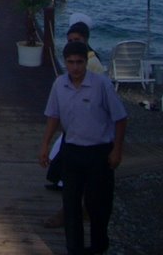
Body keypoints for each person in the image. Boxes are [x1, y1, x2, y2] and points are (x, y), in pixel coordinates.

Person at [38, 40, 127, 255]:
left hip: (99, 152)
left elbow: (121, 118)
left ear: (85, 62)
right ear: (65, 62)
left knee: (99, 205)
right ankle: (74, 249)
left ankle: (98, 246)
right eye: (70, 62)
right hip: (72, 150)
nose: (75, 67)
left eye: (79, 62)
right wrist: (45, 144)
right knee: (70, 203)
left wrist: (117, 150)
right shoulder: (59, 84)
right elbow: (53, 116)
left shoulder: (101, 84)